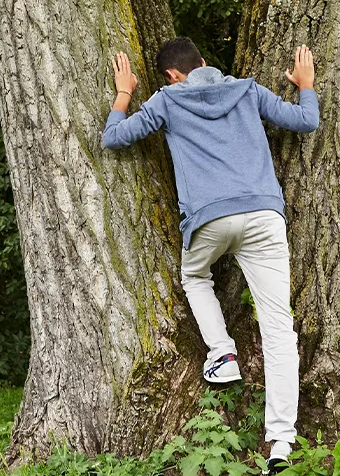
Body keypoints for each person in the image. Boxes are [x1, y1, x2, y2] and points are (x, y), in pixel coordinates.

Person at [102, 36, 318, 473]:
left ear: (171, 75)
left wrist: (124, 91)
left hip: (209, 220)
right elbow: (306, 120)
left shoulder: (166, 101)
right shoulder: (247, 89)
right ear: (203, 63)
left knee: (195, 277)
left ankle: (223, 353)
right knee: (279, 331)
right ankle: (280, 445)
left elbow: (114, 138)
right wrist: (306, 84)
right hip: (262, 215)